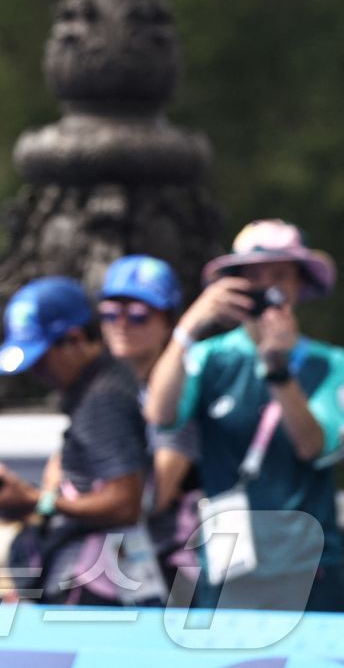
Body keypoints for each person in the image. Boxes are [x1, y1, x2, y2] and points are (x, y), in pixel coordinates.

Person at [145, 219, 344, 612]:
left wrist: (278, 369)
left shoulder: (329, 363)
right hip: (230, 562)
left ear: (299, 285)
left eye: (278, 276)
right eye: (252, 277)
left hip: (309, 566)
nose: (266, 288)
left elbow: (313, 445)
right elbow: (160, 413)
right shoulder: (210, 357)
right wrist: (188, 327)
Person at [0, 277, 160, 607]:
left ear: (75, 340)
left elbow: (124, 504)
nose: (36, 373)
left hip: (97, 587)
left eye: (42, 359)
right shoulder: (100, 385)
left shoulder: (102, 399)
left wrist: (39, 502)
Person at [97, 255, 201, 601]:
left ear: (169, 322)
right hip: (124, 561)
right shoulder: (111, 389)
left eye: (139, 314)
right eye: (111, 311)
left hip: (177, 565)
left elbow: (152, 496)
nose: (121, 323)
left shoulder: (181, 388)